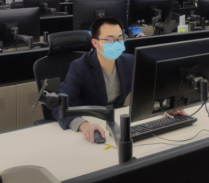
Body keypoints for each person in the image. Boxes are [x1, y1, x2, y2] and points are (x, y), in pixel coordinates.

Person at [53, 17, 185, 142]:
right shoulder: (80, 66)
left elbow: (151, 87)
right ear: (95, 43)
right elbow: (60, 106)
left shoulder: (129, 61)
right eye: (110, 40)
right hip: (91, 123)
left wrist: (168, 107)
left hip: (116, 121)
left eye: (120, 38)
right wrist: (84, 125)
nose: (116, 44)